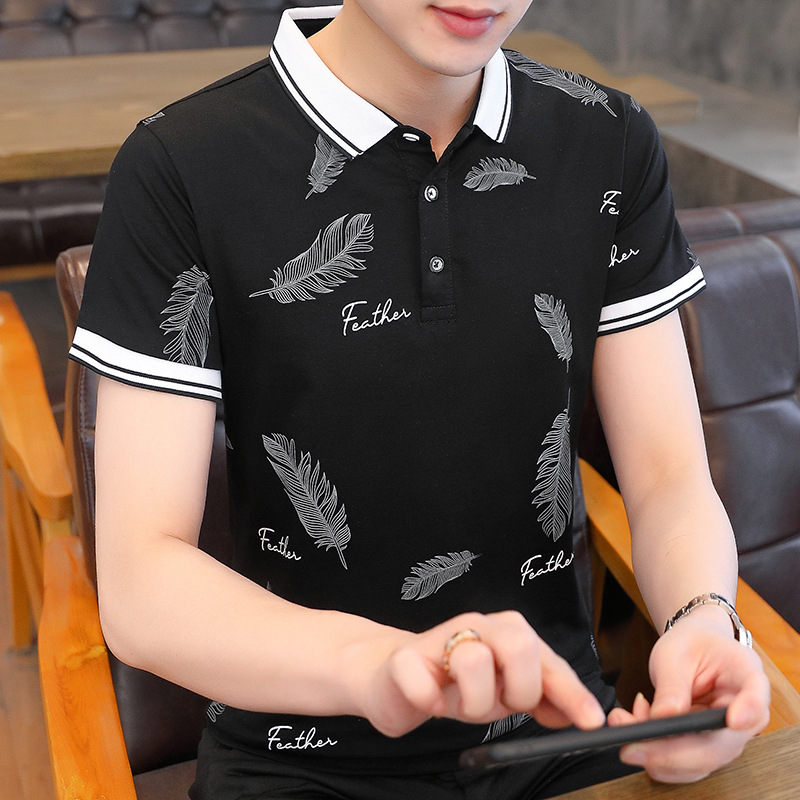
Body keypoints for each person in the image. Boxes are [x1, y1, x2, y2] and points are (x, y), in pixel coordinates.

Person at [68, 2, 770, 798]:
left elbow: (670, 477)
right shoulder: (182, 163)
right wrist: (379, 664)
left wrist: (706, 620)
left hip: (559, 738)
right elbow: (142, 579)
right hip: (298, 759)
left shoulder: (607, 139)